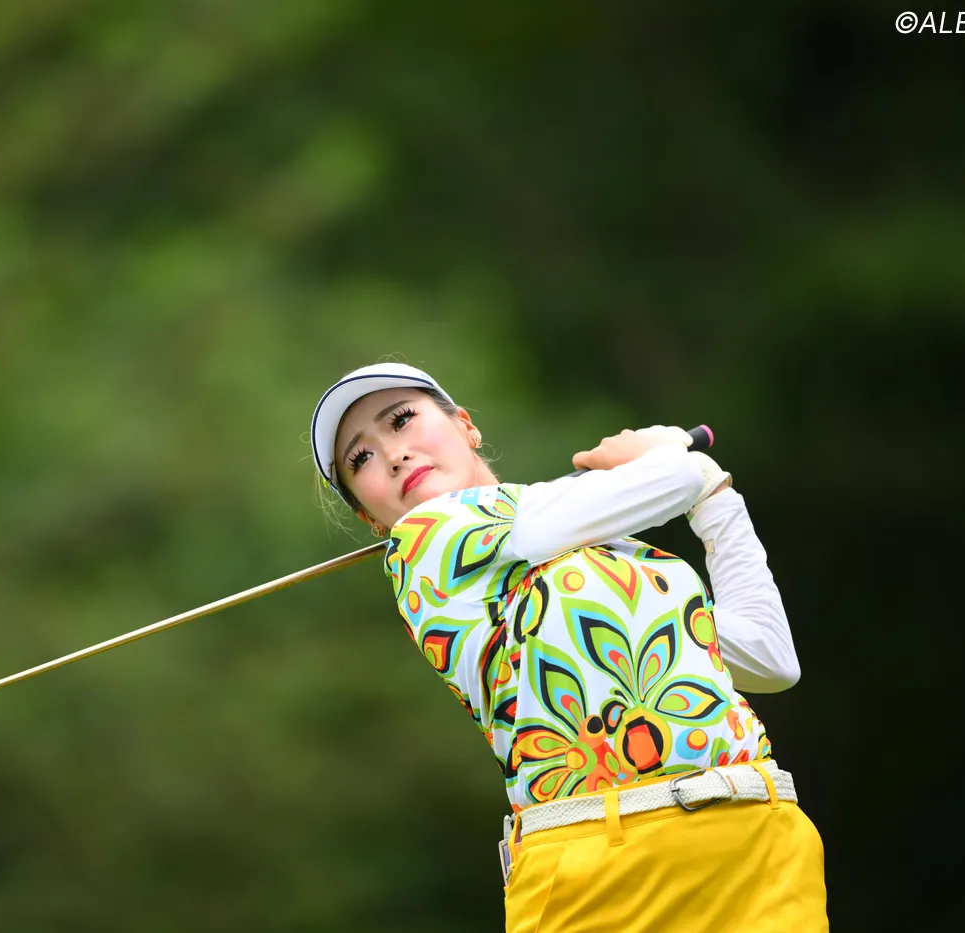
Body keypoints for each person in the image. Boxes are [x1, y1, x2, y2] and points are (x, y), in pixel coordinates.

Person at [309, 362, 827, 932]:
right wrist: (667, 457)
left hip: (756, 840)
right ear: (370, 517)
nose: (393, 454)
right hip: (598, 872)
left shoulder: (619, 558)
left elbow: (770, 658)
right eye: (361, 458)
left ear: (466, 426)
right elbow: (668, 483)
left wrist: (716, 497)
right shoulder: (426, 542)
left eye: (402, 419)